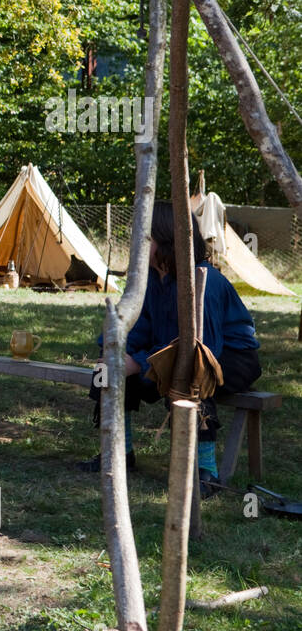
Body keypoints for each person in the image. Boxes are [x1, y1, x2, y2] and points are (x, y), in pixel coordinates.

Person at [86, 200, 261, 496]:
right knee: (107, 373)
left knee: (192, 377)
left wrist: (140, 364)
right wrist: (115, 352)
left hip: (227, 357)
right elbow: (137, 326)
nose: (136, 245)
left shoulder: (204, 281)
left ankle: (206, 472)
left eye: (145, 239)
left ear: (166, 239)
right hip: (172, 352)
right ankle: (119, 456)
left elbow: (202, 351)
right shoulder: (151, 280)